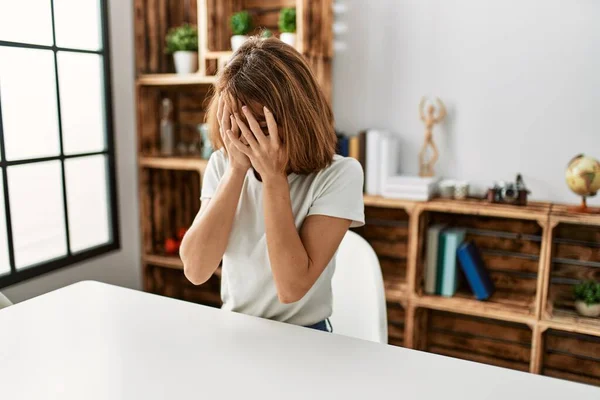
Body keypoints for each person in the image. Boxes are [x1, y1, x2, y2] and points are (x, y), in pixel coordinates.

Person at [180, 36, 364, 332]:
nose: (247, 141)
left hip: (305, 335)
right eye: (237, 126)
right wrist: (236, 171)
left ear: (296, 119)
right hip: (237, 329)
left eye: (260, 128)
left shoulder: (340, 175)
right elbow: (196, 269)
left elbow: (291, 288)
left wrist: (274, 177)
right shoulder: (222, 165)